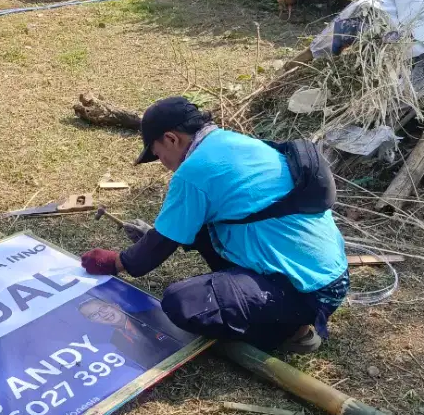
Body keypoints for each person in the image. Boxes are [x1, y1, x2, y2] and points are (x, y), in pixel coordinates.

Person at [80, 97, 349, 354]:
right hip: (326, 276)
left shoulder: (195, 169)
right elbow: (181, 230)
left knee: (182, 303)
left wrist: (115, 262)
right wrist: (154, 236)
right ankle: (277, 311)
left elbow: (157, 248)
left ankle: (288, 330)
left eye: (159, 155)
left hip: (306, 291)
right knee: (204, 228)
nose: (164, 165)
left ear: (172, 139)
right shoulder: (231, 142)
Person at [77, 294, 186, 370]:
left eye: (103, 308)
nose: (103, 314)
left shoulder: (152, 315)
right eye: (94, 315)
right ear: (93, 322)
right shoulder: (115, 342)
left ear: (115, 305)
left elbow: (182, 340)